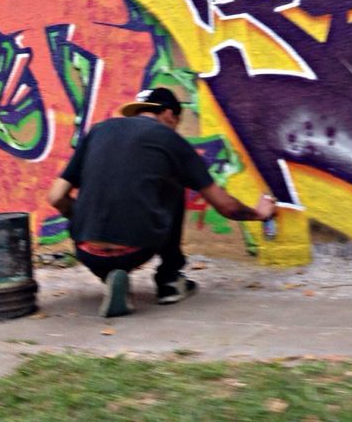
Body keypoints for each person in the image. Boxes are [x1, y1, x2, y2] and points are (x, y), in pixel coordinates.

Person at [47, 87, 277, 318]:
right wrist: (259, 214)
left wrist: (83, 219)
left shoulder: (98, 132)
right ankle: (169, 281)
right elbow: (224, 205)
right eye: (177, 121)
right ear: (169, 114)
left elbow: (56, 197)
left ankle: (111, 276)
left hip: (87, 251)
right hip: (136, 249)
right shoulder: (170, 139)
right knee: (174, 183)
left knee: (100, 201)